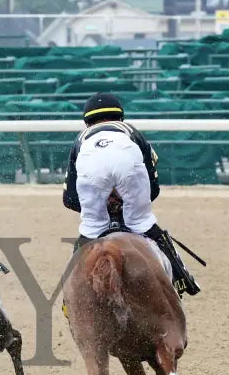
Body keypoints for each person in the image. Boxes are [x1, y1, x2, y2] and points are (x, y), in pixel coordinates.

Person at [64, 93, 200, 296]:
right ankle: (181, 279)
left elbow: (71, 200)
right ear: (120, 117)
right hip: (128, 166)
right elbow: (153, 189)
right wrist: (127, 205)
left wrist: (104, 208)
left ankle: (70, 298)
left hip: (91, 170)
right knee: (143, 223)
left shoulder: (80, 141)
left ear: (87, 122)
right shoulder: (132, 133)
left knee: (90, 231)